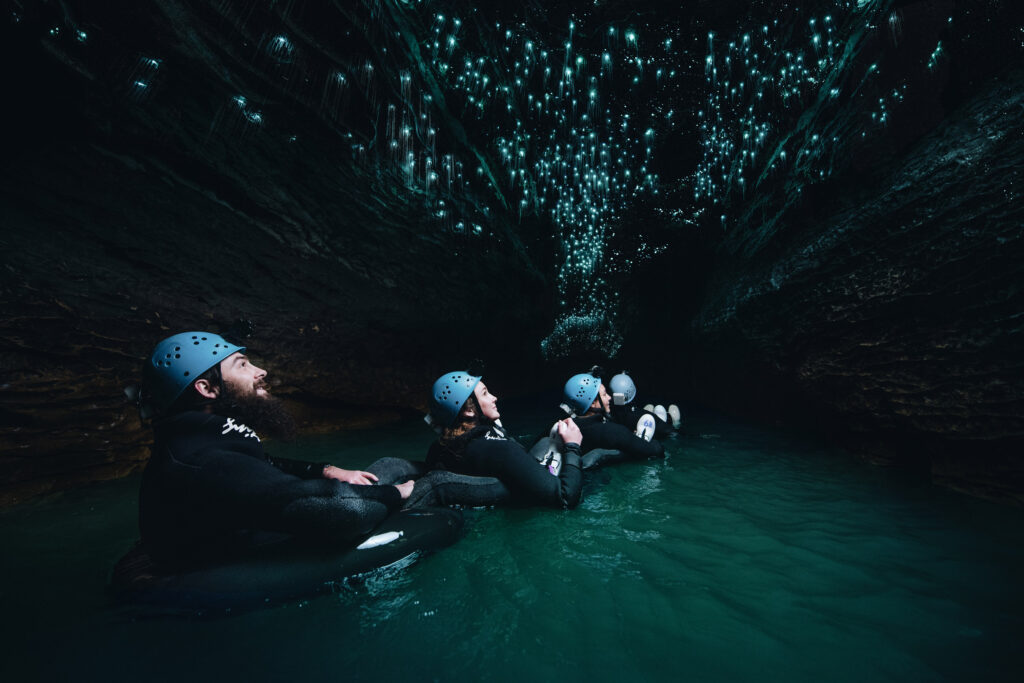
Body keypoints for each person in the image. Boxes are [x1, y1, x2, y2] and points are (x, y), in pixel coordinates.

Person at [136, 331, 421, 570]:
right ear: (207, 388)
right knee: (418, 482)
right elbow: (343, 509)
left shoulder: (203, 436)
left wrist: (327, 470)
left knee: (390, 464)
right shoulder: (202, 459)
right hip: (225, 561)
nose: (261, 371)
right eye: (242, 365)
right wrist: (398, 493)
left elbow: (265, 463)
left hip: (256, 522)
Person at [423, 370, 584, 509]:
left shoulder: (438, 448)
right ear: (469, 410)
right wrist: (572, 445)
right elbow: (566, 498)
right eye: (485, 393)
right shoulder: (501, 450)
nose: (494, 397)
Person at [560, 369, 665, 464]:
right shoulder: (613, 432)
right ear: (592, 403)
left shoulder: (559, 428)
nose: (610, 398)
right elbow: (655, 450)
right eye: (605, 394)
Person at [607, 371, 681, 440]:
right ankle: (674, 422)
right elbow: (672, 432)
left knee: (650, 409)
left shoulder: (608, 414)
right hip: (654, 426)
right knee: (666, 412)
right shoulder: (640, 415)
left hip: (635, 427)